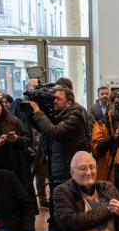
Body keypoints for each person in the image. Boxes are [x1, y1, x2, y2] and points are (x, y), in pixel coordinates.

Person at [27, 87, 90, 219]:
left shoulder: (74, 117)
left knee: (66, 206)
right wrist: (32, 113)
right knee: (56, 204)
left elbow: (54, 132)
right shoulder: (59, 115)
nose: (54, 101)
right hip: (58, 169)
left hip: (67, 172)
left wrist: (39, 114)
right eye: (53, 98)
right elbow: (44, 129)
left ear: (69, 103)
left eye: (58, 99)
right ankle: (55, 230)